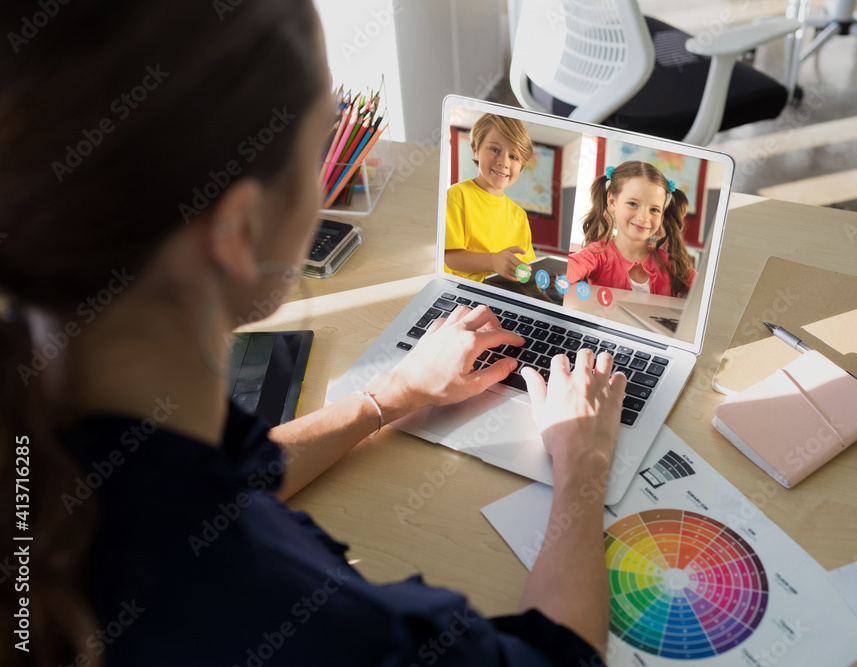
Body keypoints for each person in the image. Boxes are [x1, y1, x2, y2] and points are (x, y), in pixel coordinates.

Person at [0, 2, 626, 666]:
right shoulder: (321, 629)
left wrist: (389, 395)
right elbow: (559, 658)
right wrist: (580, 461)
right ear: (238, 231)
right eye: (322, 140)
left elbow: (202, 487)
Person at [568, 161, 695, 297]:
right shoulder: (596, 255)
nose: (643, 217)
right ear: (612, 202)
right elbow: (568, 270)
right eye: (633, 204)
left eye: (654, 209)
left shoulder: (670, 264)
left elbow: (706, 290)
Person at [443, 114, 537, 283]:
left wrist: (542, 277)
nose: (503, 162)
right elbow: (450, 258)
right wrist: (494, 262)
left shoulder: (520, 216)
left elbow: (525, 268)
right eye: (495, 150)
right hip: (466, 290)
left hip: (507, 293)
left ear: (521, 167)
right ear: (475, 150)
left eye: (513, 157)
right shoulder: (457, 195)